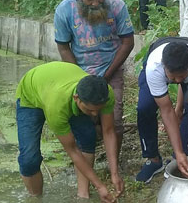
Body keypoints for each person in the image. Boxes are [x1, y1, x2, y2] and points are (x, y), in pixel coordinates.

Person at [54, 0, 134, 158]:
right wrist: (79, 77)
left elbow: (128, 42)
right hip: (79, 72)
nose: (96, 3)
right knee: (84, 120)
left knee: (114, 120)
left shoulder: (116, 5)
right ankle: (85, 161)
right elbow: (64, 47)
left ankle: (113, 162)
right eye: (90, 0)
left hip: (111, 69)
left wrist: (106, 76)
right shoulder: (64, 11)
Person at [16, 62, 123, 202]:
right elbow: (72, 150)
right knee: (29, 159)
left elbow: (108, 131)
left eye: (98, 109)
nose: (95, 114)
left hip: (57, 84)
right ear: (77, 98)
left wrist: (114, 174)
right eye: (90, 110)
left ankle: (83, 196)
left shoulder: (105, 93)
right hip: (30, 95)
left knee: (87, 137)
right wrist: (100, 186)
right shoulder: (57, 107)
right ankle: (36, 198)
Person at [135, 37, 188, 183]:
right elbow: (167, 110)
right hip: (156, 55)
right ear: (164, 67)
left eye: (181, 77)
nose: (177, 81)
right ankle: (153, 159)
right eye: (172, 77)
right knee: (144, 107)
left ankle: (181, 158)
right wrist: (177, 149)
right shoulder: (154, 67)